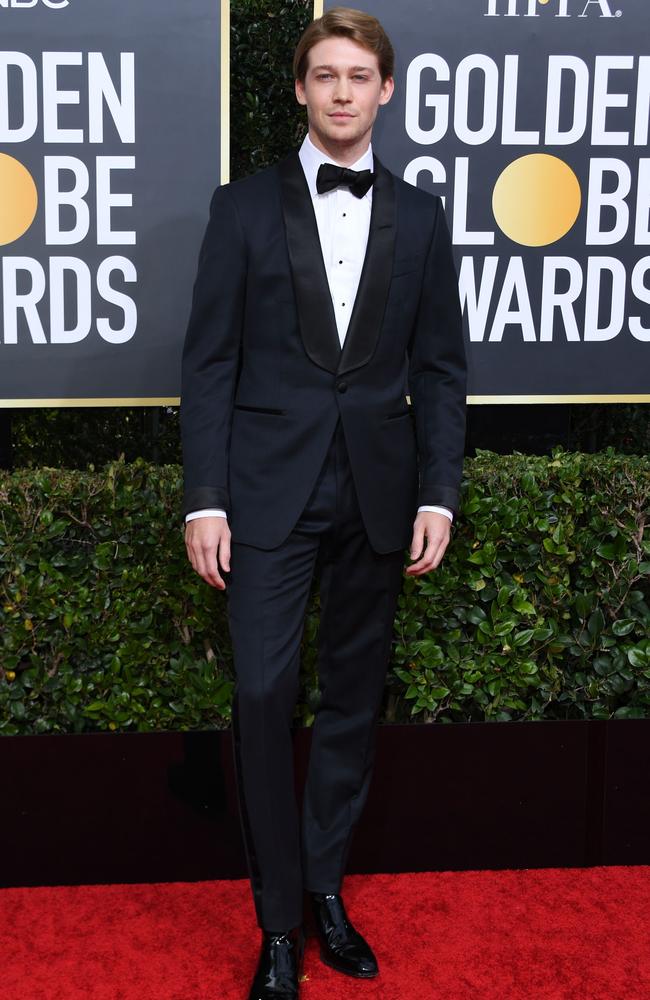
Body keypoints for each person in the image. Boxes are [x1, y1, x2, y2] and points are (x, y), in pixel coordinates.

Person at [179, 7, 467, 998]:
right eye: (325, 76)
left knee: (349, 701)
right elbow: (209, 363)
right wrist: (203, 500)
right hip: (265, 492)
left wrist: (438, 491)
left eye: (360, 76)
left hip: (379, 494)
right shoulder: (241, 210)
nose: (342, 92)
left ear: (384, 91)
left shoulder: (422, 217)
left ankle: (326, 887)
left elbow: (439, 370)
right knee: (262, 695)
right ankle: (274, 923)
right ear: (298, 89)